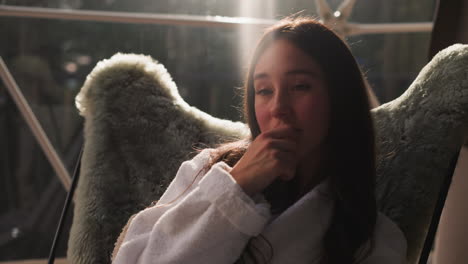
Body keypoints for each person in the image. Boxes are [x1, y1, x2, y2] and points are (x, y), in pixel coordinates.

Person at [111, 17, 407, 264]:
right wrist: (237, 188)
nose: (278, 106)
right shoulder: (207, 171)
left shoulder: (373, 241)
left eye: (300, 86)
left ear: (340, 97)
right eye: (264, 90)